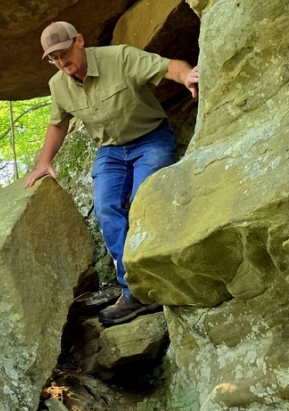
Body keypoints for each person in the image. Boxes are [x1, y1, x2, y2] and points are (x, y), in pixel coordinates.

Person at [24, 21, 198, 326]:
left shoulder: (119, 57)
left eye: (64, 52)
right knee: (106, 209)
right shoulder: (58, 86)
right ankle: (136, 292)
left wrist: (188, 76)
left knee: (146, 202)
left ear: (80, 40)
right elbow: (58, 123)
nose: (62, 62)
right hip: (110, 151)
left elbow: (167, 66)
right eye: (54, 58)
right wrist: (44, 161)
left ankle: (161, 278)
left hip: (150, 138)